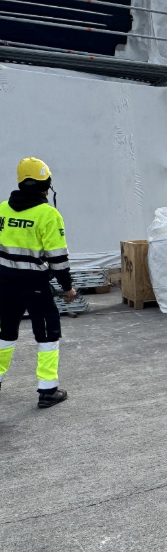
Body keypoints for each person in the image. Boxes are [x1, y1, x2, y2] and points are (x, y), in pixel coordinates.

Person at [0, 158, 76, 408]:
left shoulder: (2, 209)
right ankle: (47, 391)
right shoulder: (48, 215)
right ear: (47, 184)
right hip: (35, 286)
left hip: (5, 284)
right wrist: (67, 287)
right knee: (47, 335)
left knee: (4, 334)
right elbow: (58, 259)